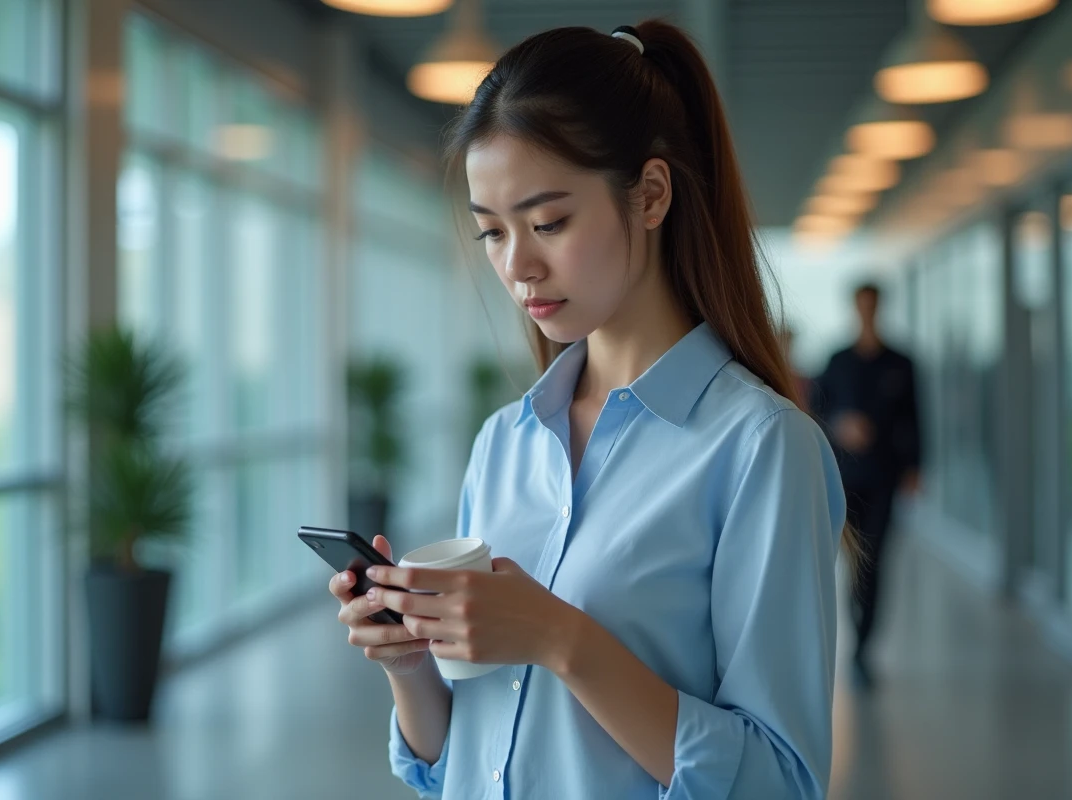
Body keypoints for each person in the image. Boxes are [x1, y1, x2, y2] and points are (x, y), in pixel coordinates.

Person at [329, 21, 854, 799]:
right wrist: (411, 663)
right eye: (492, 232)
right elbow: (463, 762)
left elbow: (777, 781)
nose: (517, 266)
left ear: (649, 195)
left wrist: (561, 638)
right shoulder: (504, 442)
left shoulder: (762, 450)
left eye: (548, 223)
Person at [814, 282, 922, 690]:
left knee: (877, 557)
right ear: (854, 308)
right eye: (861, 306)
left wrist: (915, 468)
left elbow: (916, 417)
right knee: (853, 560)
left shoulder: (901, 362)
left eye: (872, 306)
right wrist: (842, 425)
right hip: (846, 477)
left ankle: (863, 646)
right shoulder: (838, 361)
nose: (867, 312)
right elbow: (818, 410)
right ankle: (856, 621)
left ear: (879, 307)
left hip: (886, 474)